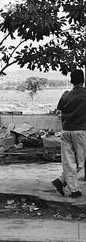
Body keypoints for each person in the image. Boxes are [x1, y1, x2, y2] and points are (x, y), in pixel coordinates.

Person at [52, 69, 86, 198]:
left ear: (72, 80)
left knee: (68, 161)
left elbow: (59, 111)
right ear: (83, 80)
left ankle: (64, 183)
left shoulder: (65, 95)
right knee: (80, 162)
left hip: (66, 131)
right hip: (81, 131)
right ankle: (69, 187)